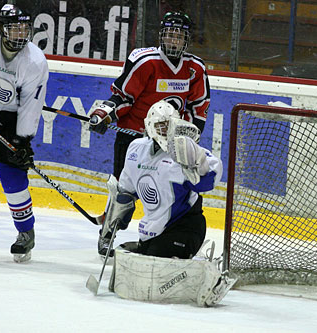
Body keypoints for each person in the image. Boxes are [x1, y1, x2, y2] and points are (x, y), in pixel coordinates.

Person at [88, 11, 210, 256]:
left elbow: (199, 107)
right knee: (124, 192)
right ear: (161, 36)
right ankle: (108, 233)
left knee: (174, 192)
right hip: (135, 138)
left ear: (186, 40)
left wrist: (189, 139)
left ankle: (169, 236)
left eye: (179, 36)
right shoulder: (146, 61)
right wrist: (106, 113)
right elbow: (123, 96)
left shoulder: (195, 68)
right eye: (170, 35)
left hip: (172, 143)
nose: (173, 41)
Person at [100, 99, 234, 306]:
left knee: (157, 263)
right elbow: (125, 191)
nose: (164, 131)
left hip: (185, 228)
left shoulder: (184, 151)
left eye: (169, 125)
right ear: (149, 127)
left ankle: (210, 276)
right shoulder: (136, 149)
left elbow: (210, 179)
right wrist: (113, 225)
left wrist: (197, 165)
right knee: (138, 259)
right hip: (153, 230)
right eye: (159, 126)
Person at [0, 4, 49, 262]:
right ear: (0, 29)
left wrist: (23, 140)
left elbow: (32, 103)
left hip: (10, 115)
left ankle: (25, 232)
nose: (20, 33)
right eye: (13, 28)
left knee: (12, 172)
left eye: (24, 28)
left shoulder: (35, 61)